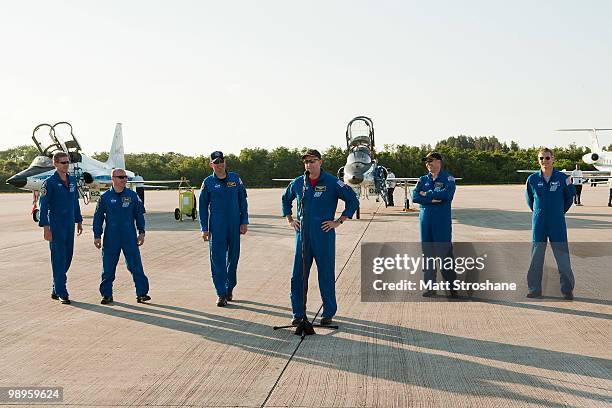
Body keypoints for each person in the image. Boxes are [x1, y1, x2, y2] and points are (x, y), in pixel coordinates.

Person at [282, 149, 359, 326]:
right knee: (298, 276)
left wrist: (339, 221)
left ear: (320, 162)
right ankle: (298, 313)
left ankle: (328, 313)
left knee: (325, 274)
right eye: (306, 162)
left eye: (313, 161)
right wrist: (290, 219)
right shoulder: (298, 183)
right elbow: (286, 199)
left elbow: (353, 200)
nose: (309, 165)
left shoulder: (333, 182)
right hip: (303, 237)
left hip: (323, 235)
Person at [93, 168, 150, 304]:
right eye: (121, 177)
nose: (124, 179)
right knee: (108, 267)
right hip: (111, 237)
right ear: (113, 178)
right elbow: (98, 218)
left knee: (135, 266)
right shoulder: (105, 197)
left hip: (129, 236)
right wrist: (97, 235)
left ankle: (142, 293)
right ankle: (106, 294)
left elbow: (139, 215)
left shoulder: (132, 196)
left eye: (125, 177)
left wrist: (141, 232)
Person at [199, 151, 249, 307]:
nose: (219, 165)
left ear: (225, 162)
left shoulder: (235, 179)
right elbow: (202, 207)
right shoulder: (207, 183)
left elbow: (243, 201)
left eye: (221, 161)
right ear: (211, 164)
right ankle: (221, 293)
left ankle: (230, 288)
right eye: (216, 162)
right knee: (218, 260)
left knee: (233, 259)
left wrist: (244, 221)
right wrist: (204, 228)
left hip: (234, 225)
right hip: (217, 226)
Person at [525, 147, 575, 300]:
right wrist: (539, 213)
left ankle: (567, 290)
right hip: (539, 222)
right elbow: (530, 201)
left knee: (563, 258)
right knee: (536, 257)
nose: (544, 161)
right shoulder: (532, 179)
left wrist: (559, 212)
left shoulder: (563, 178)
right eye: (541, 158)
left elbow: (569, 198)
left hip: (557, 223)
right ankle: (534, 289)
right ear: (538, 160)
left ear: (553, 159)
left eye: (547, 158)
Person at [38, 151, 83, 304]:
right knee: (58, 258)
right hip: (56, 225)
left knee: (68, 257)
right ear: (55, 164)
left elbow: (75, 202)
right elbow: (43, 206)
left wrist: (79, 220)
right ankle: (62, 292)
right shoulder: (49, 182)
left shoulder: (72, 180)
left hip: (70, 224)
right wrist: (45, 227)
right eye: (63, 162)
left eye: (67, 162)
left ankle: (55, 288)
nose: (66, 165)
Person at [412, 152, 458, 298]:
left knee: (445, 255)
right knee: (428, 256)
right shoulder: (422, 179)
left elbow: (447, 195)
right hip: (425, 224)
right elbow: (415, 196)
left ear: (439, 162)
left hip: (441, 223)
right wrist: (432, 199)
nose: (428, 164)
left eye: (431, 161)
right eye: (426, 162)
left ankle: (452, 288)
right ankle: (430, 288)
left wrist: (427, 194)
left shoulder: (448, 178)